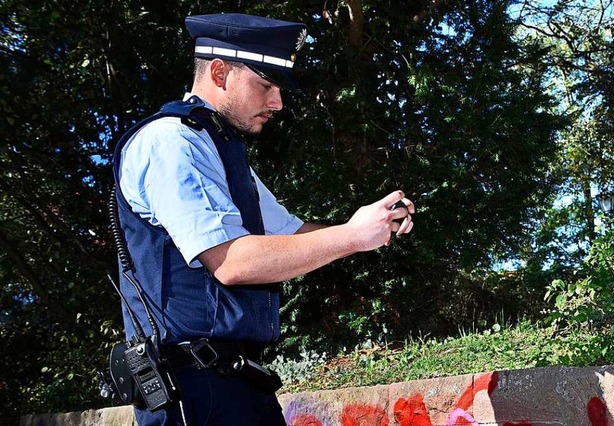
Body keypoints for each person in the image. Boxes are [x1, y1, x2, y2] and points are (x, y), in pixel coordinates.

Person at [112, 12, 414, 426]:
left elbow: (290, 232)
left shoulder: (217, 147)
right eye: (266, 85)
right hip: (193, 394)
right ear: (219, 72)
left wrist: (373, 226)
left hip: (236, 384)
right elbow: (233, 262)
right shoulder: (171, 142)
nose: (277, 102)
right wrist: (352, 237)